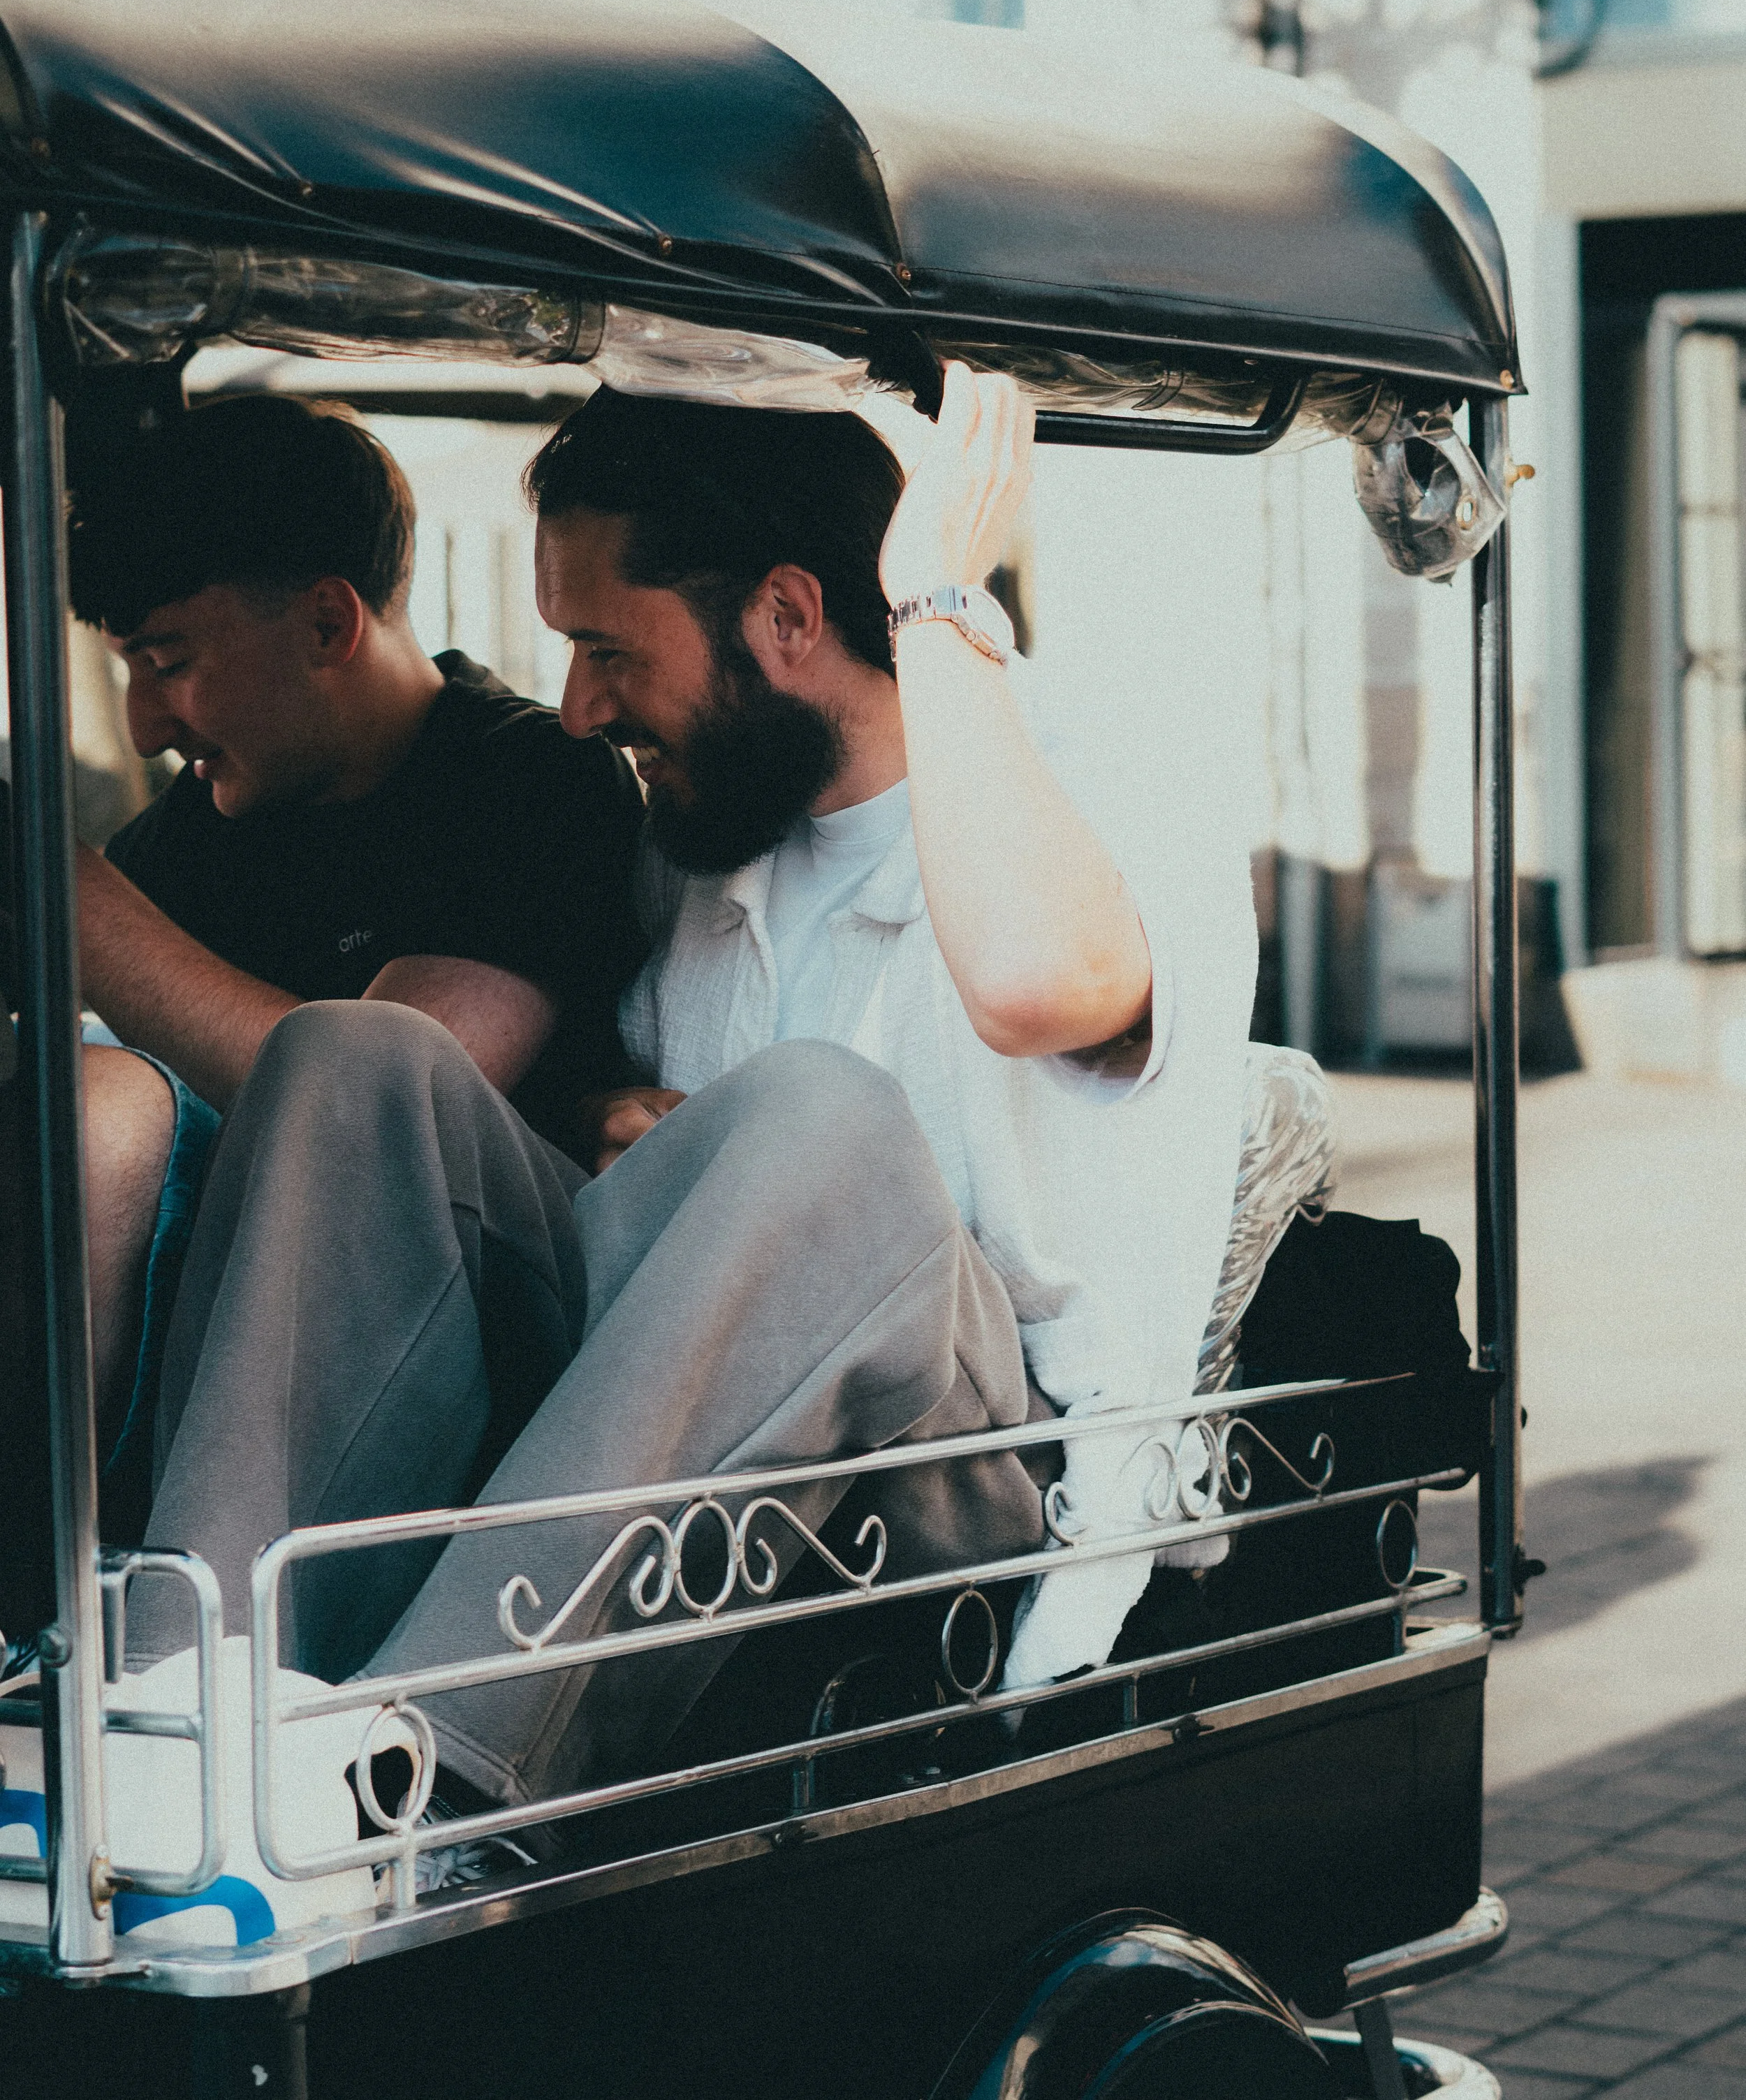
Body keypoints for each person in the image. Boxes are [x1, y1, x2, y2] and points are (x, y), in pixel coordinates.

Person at [121, 365, 1256, 1821]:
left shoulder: (1107, 770)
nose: (578, 707)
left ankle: (427, 1781)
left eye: (605, 648)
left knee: (816, 1117)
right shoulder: (700, 851)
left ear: (788, 618)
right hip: (689, 1461)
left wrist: (931, 604)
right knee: (360, 1057)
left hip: (972, 1469)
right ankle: (180, 1706)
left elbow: (1035, 988)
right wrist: (610, 1127)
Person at [0, 393, 646, 1631]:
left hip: (457, 1360)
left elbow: (385, 1097)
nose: (143, 724)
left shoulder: (528, 776)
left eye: (171, 661)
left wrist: (67, 897)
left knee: (157, 1103)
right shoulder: (192, 838)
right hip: (205, 1373)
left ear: (327, 618)